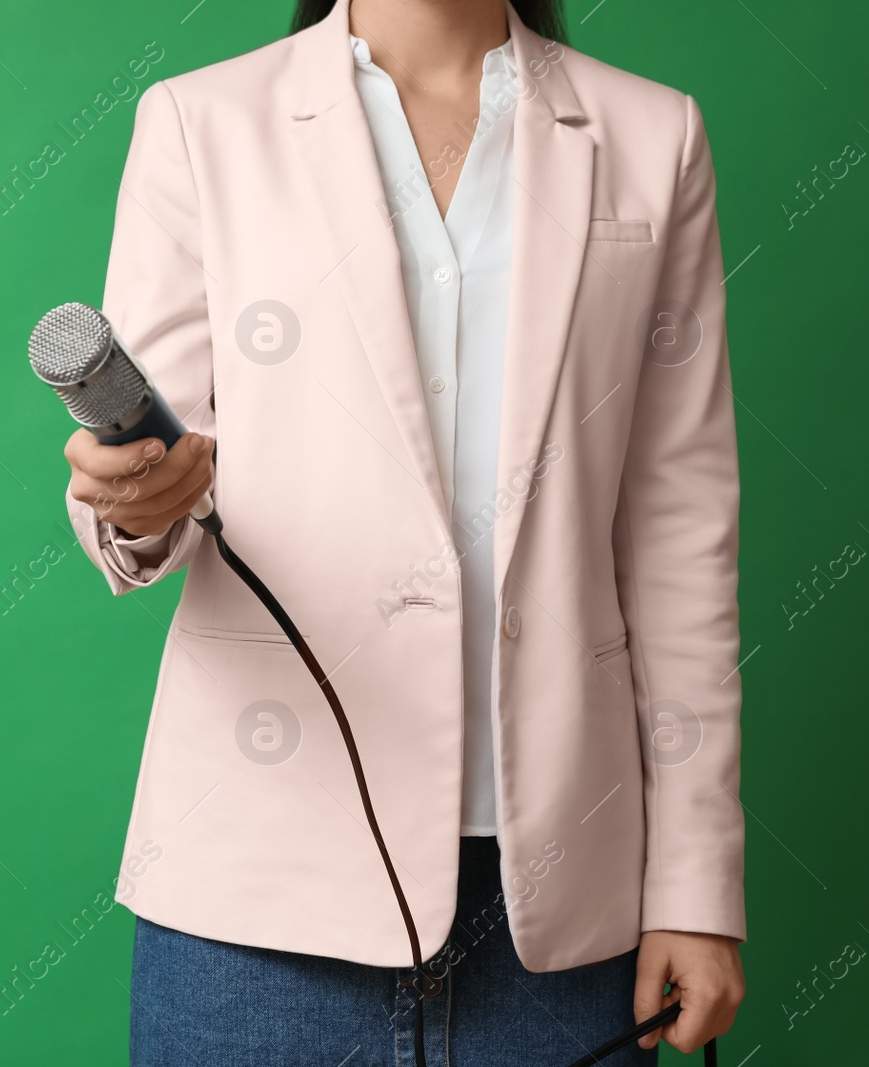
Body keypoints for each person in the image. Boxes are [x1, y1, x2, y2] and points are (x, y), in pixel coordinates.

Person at [60, 0, 747, 1062]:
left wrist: (697, 882)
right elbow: (154, 455)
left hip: (560, 908)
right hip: (258, 894)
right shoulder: (203, 122)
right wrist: (131, 502)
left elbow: (677, 527)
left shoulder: (653, 134)